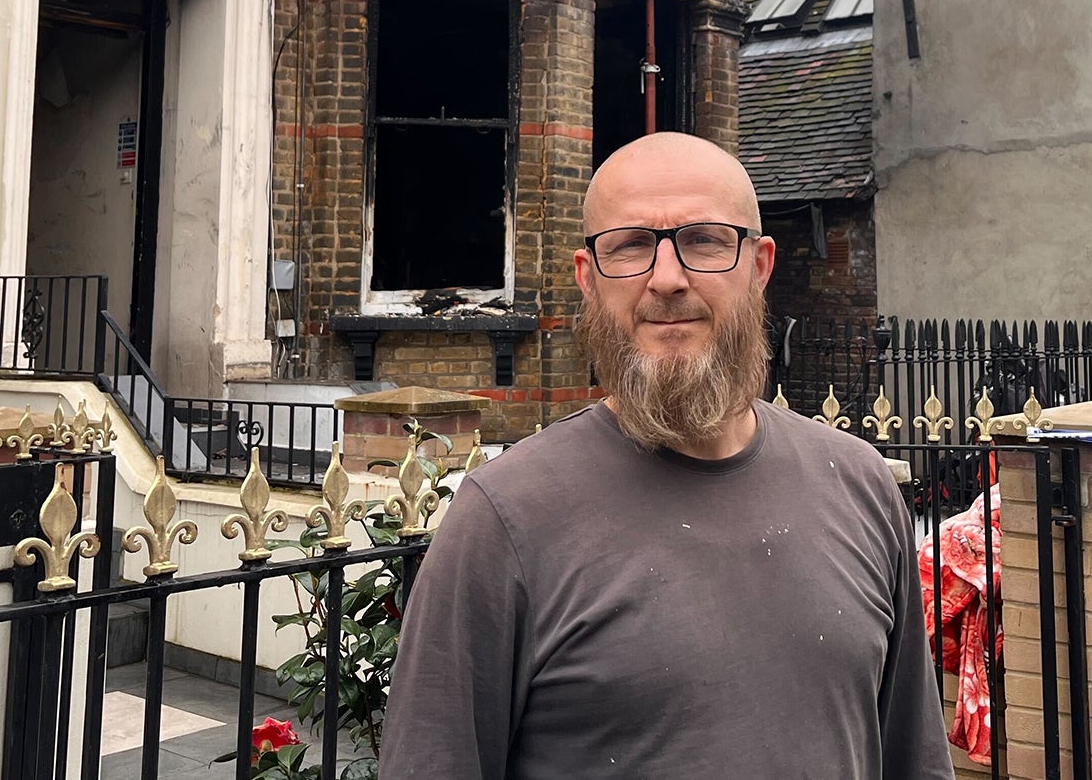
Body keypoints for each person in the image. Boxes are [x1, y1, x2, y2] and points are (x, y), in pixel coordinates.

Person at [383, 132, 953, 780]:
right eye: (629, 245)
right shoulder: (503, 521)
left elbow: (914, 759)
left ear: (760, 265)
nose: (667, 279)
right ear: (587, 278)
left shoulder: (861, 485)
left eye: (705, 240)